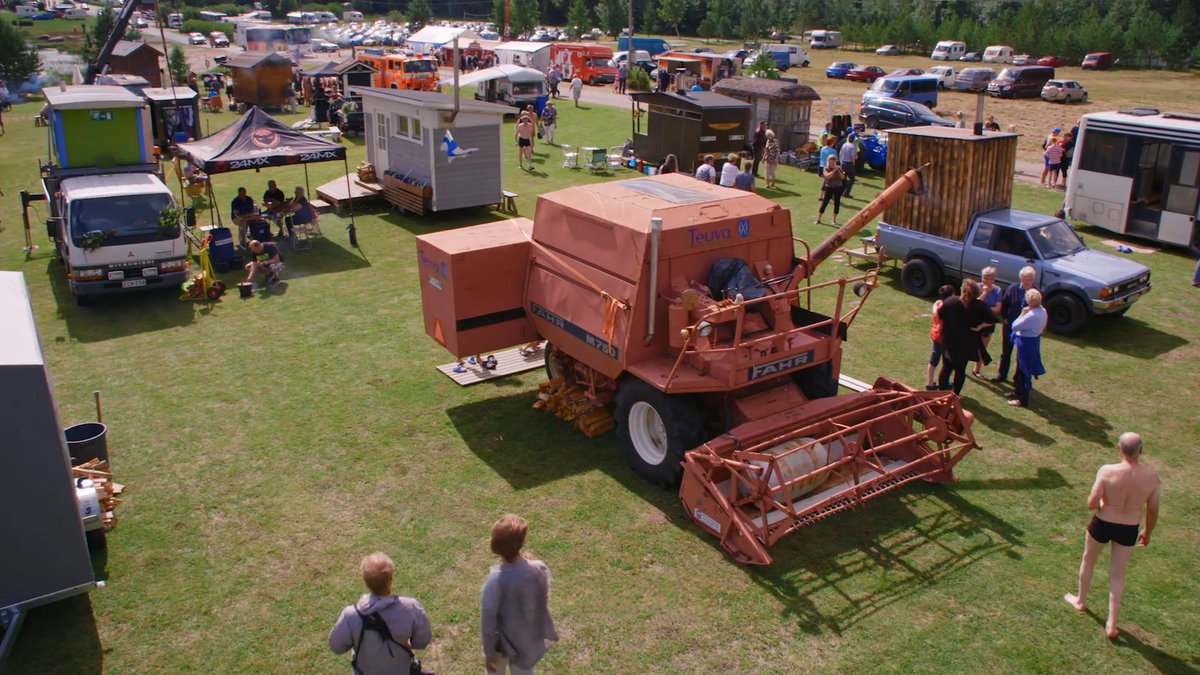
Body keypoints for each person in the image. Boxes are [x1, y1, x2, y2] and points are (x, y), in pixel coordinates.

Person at [1064, 433, 1160, 641]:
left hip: (1103, 522)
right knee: (1117, 574)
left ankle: (1080, 601)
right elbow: (1152, 510)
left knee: (1088, 560)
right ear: (1140, 451)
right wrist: (1147, 532)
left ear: (1119, 448)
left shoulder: (1107, 471)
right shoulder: (1152, 478)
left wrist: (1101, 505)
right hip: (1129, 527)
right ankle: (1111, 624)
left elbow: (1092, 502)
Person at [329, 552, 432, 674]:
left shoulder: (350, 615)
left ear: (366, 581)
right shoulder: (411, 607)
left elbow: (336, 647)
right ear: (390, 580)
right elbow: (422, 641)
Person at [481, 515, 557, 674]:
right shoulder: (539, 569)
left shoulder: (495, 581)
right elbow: (541, 600)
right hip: (525, 638)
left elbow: (487, 625)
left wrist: (489, 656)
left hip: (500, 644)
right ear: (520, 543)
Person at [936, 279, 996, 395]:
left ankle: (940, 393)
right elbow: (992, 319)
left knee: (946, 368)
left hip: (949, 340)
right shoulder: (980, 306)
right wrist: (980, 327)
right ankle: (955, 395)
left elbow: (940, 314)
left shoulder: (951, 301)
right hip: (967, 342)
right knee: (960, 370)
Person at [992, 266, 1036, 384]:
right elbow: (1005, 304)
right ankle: (1002, 374)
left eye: (1028, 279)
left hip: (1025, 330)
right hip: (1010, 325)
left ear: (1032, 280)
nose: (1025, 282)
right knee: (1006, 351)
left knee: (1021, 354)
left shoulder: (1035, 293)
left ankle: (1018, 378)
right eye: (1023, 279)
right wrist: (1005, 318)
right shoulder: (1013, 288)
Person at [1007, 288, 1047, 408]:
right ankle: (1017, 391)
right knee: (1020, 369)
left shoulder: (1030, 315)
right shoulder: (1043, 310)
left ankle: (1022, 400)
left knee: (1024, 371)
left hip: (1026, 343)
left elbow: (1014, 326)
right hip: (1034, 340)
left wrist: (1022, 313)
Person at [972, 267, 1003, 377]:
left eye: (987, 278)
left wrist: (984, 310)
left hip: (988, 323)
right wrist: (984, 293)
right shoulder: (977, 287)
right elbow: (975, 303)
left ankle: (976, 369)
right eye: (983, 278)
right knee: (968, 344)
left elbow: (998, 308)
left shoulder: (997, 290)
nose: (984, 280)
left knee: (982, 347)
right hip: (975, 320)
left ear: (993, 279)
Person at [925, 284, 956, 390]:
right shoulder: (947, 309)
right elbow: (941, 326)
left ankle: (929, 384)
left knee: (933, 361)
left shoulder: (937, 304)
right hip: (943, 339)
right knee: (946, 363)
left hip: (935, 336)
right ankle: (944, 383)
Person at [814, 155, 845, 225]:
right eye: (831, 160)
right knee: (825, 203)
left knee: (837, 203)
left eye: (834, 160)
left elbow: (843, 177)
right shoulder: (826, 168)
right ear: (828, 161)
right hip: (829, 187)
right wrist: (834, 170)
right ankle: (818, 219)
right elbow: (827, 176)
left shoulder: (839, 168)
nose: (833, 161)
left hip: (838, 187)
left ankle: (834, 220)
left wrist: (839, 170)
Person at [838, 135, 858, 199]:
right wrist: (853, 164)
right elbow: (853, 157)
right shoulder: (852, 147)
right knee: (851, 179)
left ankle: (841, 191)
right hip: (849, 164)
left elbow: (840, 153)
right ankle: (846, 192)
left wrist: (841, 161)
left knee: (843, 178)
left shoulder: (844, 145)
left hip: (843, 162)